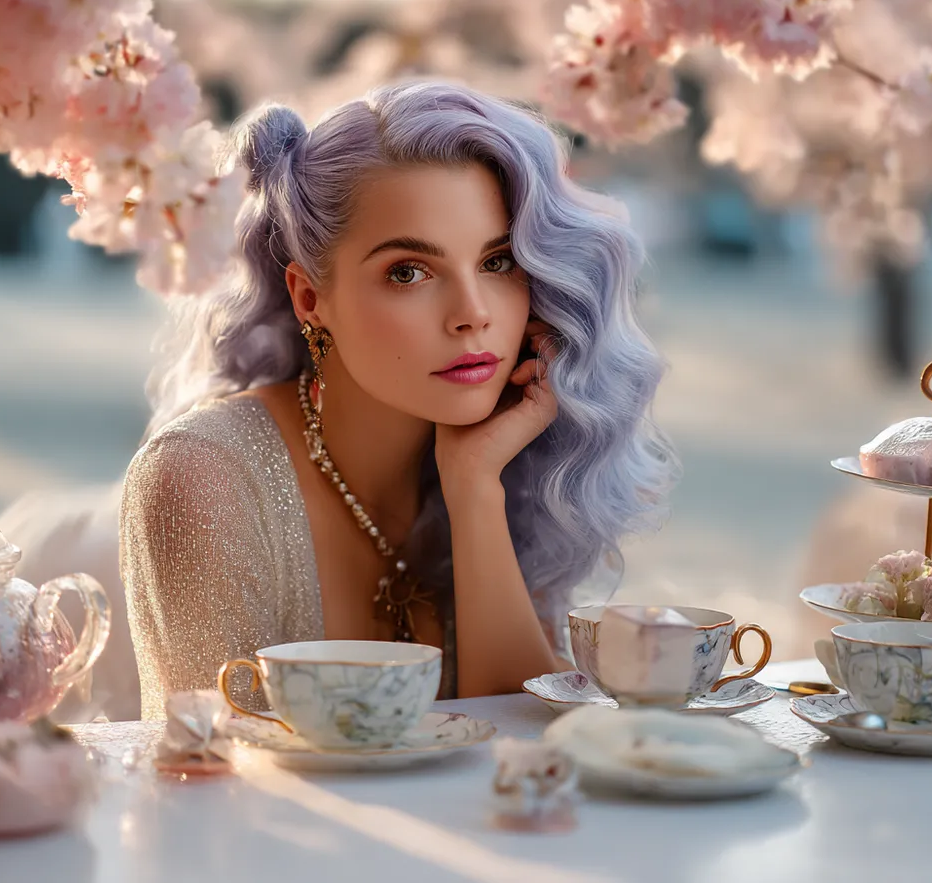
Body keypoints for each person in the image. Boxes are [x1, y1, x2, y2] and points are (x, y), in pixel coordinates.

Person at [119, 79, 675, 719]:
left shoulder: (508, 466)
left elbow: (528, 748)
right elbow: (214, 785)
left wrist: (473, 489)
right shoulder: (202, 479)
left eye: (497, 263)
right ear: (309, 299)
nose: (473, 315)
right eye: (409, 272)